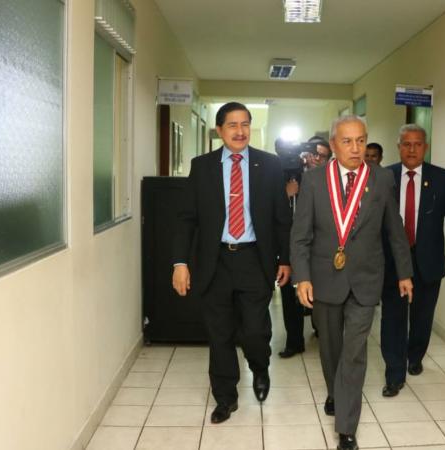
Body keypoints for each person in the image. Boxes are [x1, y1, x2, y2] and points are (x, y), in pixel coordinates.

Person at [290, 116, 413, 450]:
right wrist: (302, 278)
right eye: (347, 141)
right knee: (331, 348)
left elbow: (395, 229)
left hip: (366, 279)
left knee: (355, 351)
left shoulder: (381, 178)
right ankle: (335, 391)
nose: (356, 148)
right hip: (324, 278)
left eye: (361, 140)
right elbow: (300, 236)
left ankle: (346, 427)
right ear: (333, 145)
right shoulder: (314, 180)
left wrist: (404, 273)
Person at [171, 102, 292, 424]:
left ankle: (260, 366)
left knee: (255, 330)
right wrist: (180, 263)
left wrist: (286, 259)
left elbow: (282, 218)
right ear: (220, 130)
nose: (240, 131)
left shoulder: (270, 165)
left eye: (245, 124)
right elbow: (186, 219)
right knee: (220, 333)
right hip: (215, 260)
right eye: (232, 125)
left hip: (254, 258)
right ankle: (225, 397)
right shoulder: (202, 167)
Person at [380, 124, 445, 396]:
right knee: (392, 318)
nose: (412, 149)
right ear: (399, 147)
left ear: (425, 148)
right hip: (393, 262)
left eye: (417, 144)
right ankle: (394, 374)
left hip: (428, 260)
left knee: (422, 317)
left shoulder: (441, 178)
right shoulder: (384, 176)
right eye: (406, 144)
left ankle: (415, 356)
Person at [279, 136, 332, 358]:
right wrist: (286, 193)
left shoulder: (333, 179)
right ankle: (294, 341)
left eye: (322, 156)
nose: (316, 159)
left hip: (323, 248)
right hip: (292, 245)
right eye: (313, 153)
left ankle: (321, 329)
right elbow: (270, 208)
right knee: (289, 293)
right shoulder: (290, 176)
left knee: (321, 294)